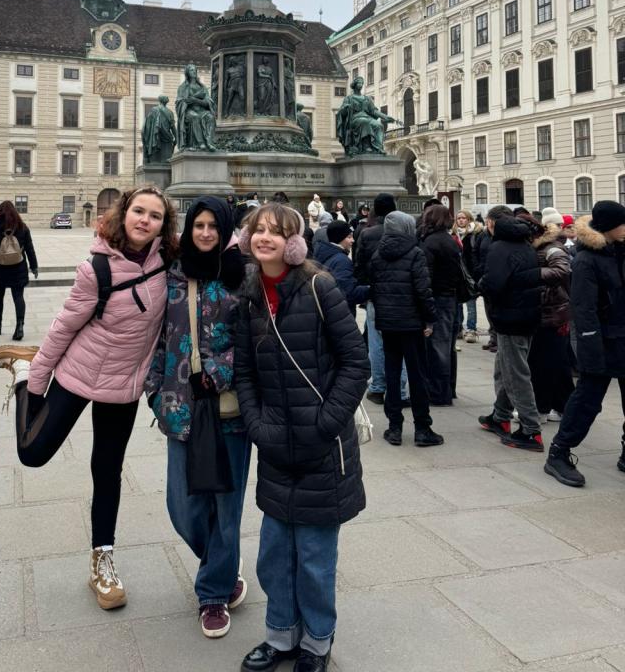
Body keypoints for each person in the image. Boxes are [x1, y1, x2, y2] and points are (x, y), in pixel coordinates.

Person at [0, 186, 177, 609]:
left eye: (155, 216)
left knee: (107, 470)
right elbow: (63, 328)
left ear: (164, 226)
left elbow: (218, 239)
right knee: (32, 453)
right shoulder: (97, 268)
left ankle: (102, 561)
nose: (145, 220)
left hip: (122, 386)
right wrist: (37, 382)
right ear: (124, 213)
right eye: (139, 211)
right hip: (78, 374)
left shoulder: (168, 261)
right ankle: (22, 371)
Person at [234, 203, 369, 672]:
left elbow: (356, 362)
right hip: (275, 444)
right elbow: (245, 372)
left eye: (277, 231)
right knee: (273, 554)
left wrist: (325, 422)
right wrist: (257, 424)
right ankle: (280, 636)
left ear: (294, 242)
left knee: (314, 556)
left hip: (322, 448)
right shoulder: (250, 294)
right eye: (258, 230)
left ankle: (315, 642)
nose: (265, 237)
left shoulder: (319, 287)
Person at [145, 197, 249, 639]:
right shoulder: (172, 273)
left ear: (225, 231)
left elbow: (255, 339)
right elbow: (156, 336)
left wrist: (221, 372)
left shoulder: (243, 275)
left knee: (226, 507)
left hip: (228, 408)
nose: (206, 233)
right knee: (182, 506)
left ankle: (213, 593)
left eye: (213, 226)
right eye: (199, 225)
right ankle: (223, 565)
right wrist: (155, 391)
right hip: (179, 405)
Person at [544, 201, 625, 487]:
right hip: (601, 341)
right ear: (609, 227)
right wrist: (590, 351)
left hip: (623, 337)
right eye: (622, 223)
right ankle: (559, 453)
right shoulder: (586, 259)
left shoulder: (620, 250)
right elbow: (584, 309)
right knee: (587, 401)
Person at [368, 210, 443, 448]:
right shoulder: (415, 253)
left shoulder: (378, 254)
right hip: (411, 324)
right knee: (417, 375)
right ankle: (422, 427)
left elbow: (375, 290)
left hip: (388, 323)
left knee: (392, 373)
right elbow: (423, 291)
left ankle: (394, 427)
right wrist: (430, 319)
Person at [478, 212, 543, 451]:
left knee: (515, 374)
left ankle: (531, 430)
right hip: (528, 315)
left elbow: (493, 283)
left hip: (509, 317)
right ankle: (500, 416)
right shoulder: (527, 247)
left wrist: (480, 285)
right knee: (505, 368)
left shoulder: (499, 249)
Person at [354, 193, 409, 406]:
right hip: (402, 297)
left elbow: (359, 265)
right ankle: (400, 391)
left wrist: (366, 290)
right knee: (400, 343)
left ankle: (377, 387)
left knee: (376, 343)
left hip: (375, 294)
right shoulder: (407, 234)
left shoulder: (367, 233)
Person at [528, 208, 573, 424]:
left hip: (553, 311)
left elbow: (562, 271)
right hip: (552, 310)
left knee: (545, 362)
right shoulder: (548, 247)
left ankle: (542, 407)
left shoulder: (553, 249)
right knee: (556, 362)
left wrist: (533, 274)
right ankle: (562, 407)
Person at [419, 204, 463, 406]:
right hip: (450, 296)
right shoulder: (449, 240)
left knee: (437, 346)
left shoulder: (430, 242)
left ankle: (438, 393)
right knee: (447, 346)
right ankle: (449, 388)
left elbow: (426, 276)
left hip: (438, 297)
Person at [0, 200, 38, 341]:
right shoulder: (22, 227)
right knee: (18, 296)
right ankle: (19, 326)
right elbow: (30, 249)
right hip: (18, 267)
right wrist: (34, 266)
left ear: (0, 212)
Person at [473, 205, 513, 352]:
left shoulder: (504, 238)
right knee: (489, 309)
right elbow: (475, 251)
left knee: (498, 310)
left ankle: (499, 339)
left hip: (499, 279)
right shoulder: (484, 235)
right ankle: (493, 337)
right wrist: (478, 269)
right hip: (485, 276)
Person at [317, 221, 370, 318]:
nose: (353, 240)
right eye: (349, 237)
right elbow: (348, 294)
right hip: (342, 315)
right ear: (339, 238)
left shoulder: (325, 254)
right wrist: (370, 289)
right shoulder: (342, 261)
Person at [454, 210, 482, 343]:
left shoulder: (474, 234)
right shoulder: (453, 234)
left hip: (470, 274)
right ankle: (459, 328)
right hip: (458, 274)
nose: (461, 220)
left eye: (463, 218)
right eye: (458, 218)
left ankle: (471, 329)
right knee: (458, 304)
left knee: (471, 304)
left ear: (469, 219)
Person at [175, 63, 216, 151]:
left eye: (195, 70)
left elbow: (208, 102)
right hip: (188, 111)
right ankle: (200, 143)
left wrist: (195, 100)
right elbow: (179, 102)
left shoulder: (202, 87)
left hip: (202, 110)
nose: (194, 72)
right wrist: (188, 101)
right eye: (191, 70)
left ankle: (209, 142)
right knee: (195, 117)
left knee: (210, 117)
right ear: (187, 73)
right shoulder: (183, 87)